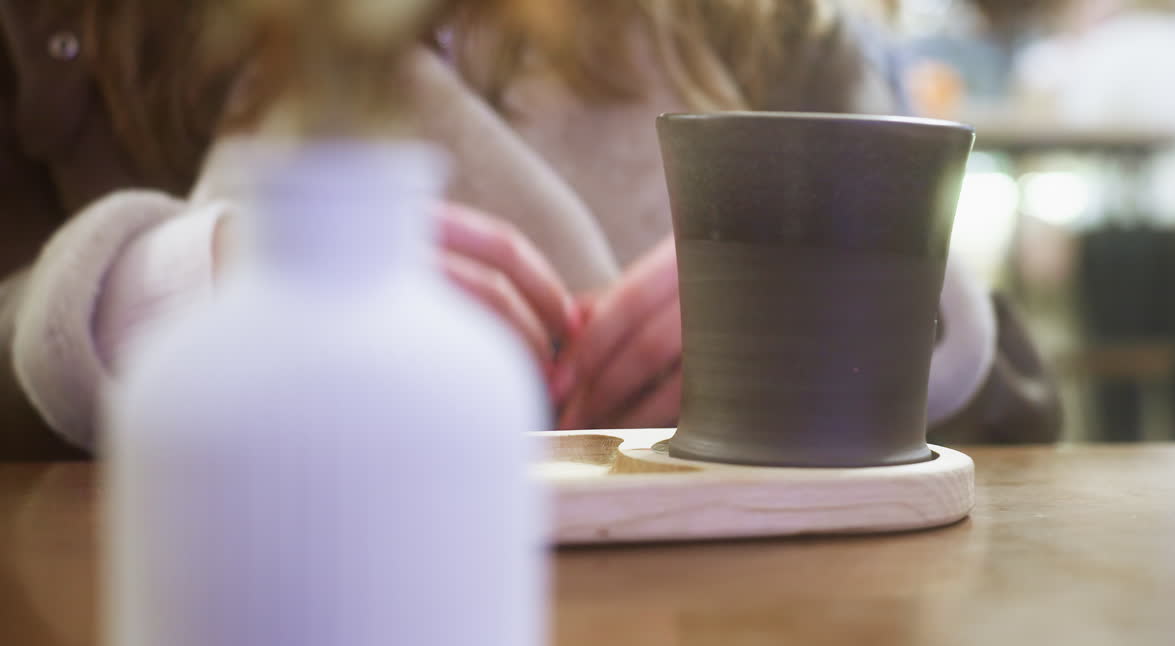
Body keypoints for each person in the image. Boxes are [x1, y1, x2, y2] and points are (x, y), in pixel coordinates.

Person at [0, 0, 1060, 461]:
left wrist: (854, 313)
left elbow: (1016, 410)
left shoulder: (765, 30)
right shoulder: (60, 43)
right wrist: (147, 300)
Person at [1013, 0, 1175, 440]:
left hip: (1111, 231)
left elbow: (1074, 133)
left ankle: (1118, 484)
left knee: (1115, 368)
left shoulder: (1103, 48)